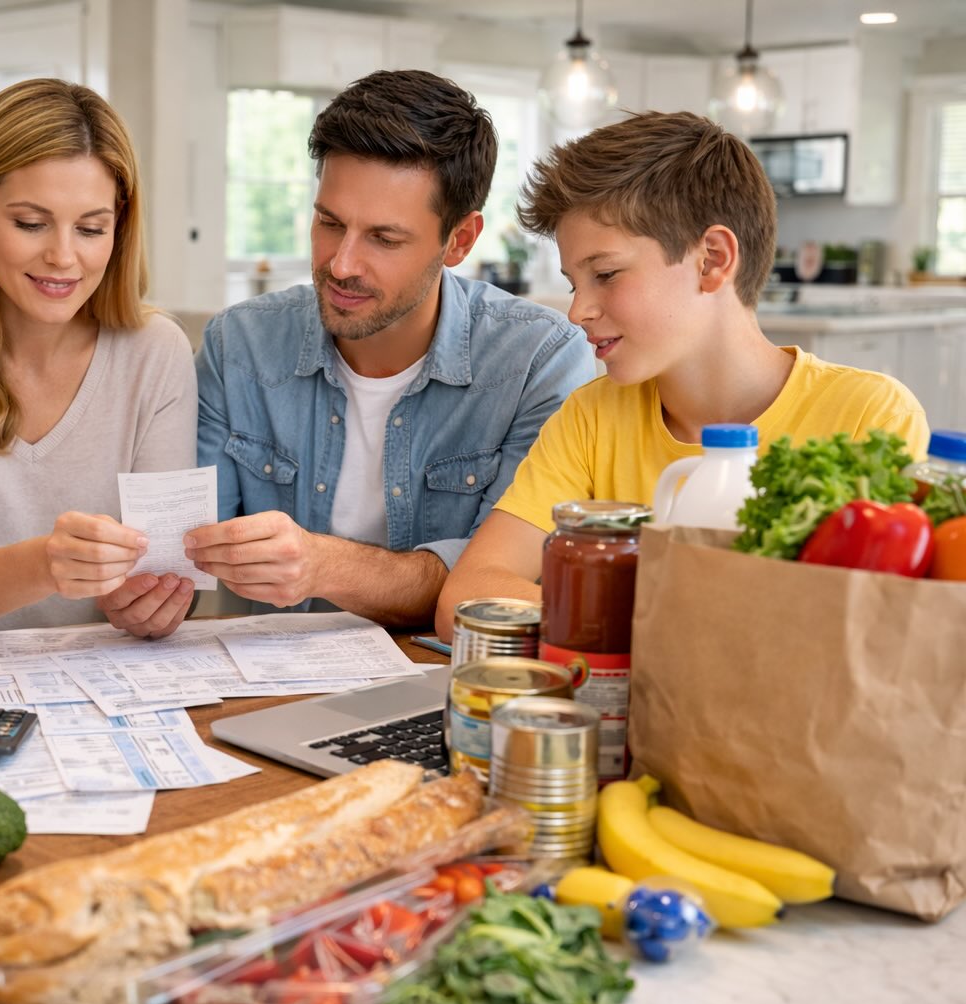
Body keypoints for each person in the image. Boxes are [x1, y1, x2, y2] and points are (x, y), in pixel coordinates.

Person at [434, 111, 930, 640]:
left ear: (711, 260)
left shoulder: (868, 416)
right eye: (575, 282)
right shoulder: (592, 418)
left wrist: (603, 613)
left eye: (605, 274)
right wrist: (680, 623)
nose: (577, 311)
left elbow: (877, 630)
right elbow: (467, 597)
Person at [187, 70, 594, 626]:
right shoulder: (239, 345)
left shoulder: (539, 362)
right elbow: (182, 556)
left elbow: (499, 583)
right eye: (329, 223)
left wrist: (323, 565)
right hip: (269, 685)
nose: (341, 264)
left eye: (384, 238)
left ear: (460, 241)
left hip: (443, 682)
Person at [0, 78, 198, 640]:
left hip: (118, 687)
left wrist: (145, 603)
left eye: (91, 228)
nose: (63, 257)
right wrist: (46, 566)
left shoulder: (156, 352)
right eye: (31, 223)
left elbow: (164, 568)